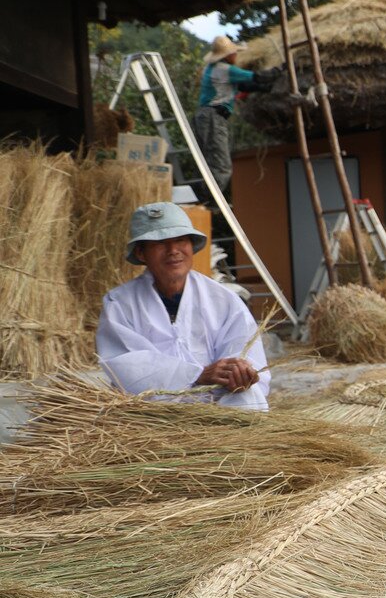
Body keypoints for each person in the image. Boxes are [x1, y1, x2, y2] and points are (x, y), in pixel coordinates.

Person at [97, 202, 270, 410]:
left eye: (180, 240)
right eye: (160, 243)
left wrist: (239, 372)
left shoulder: (223, 299)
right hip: (153, 407)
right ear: (142, 253)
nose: (173, 251)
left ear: (191, 246)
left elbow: (244, 350)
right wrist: (196, 375)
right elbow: (125, 364)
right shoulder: (120, 303)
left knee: (248, 400)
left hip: (216, 401)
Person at [193, 35, 278, 195]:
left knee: (206, 161)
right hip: (213, 118)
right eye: (234, 53)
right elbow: (258, 77)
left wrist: (264, 88)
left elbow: (245, 85)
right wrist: (280, 70)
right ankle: (209, 199)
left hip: (203, 116)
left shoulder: (211, 69)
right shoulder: (225, 70)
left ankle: (198, 197)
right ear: (228, 55)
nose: (236, 56)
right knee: (222, 166)